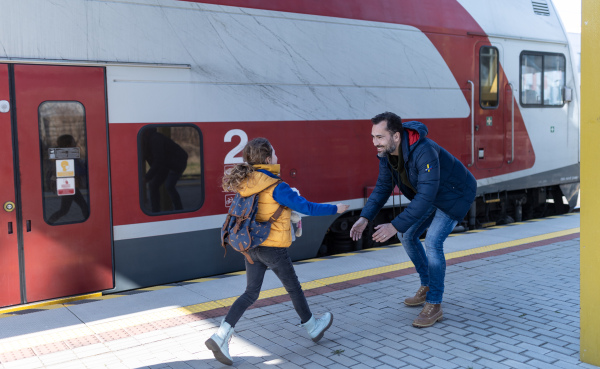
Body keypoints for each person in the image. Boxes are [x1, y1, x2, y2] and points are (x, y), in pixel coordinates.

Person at [205, 137, 349, 366]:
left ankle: (220, 335)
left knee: (250, 293)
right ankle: (313, 327)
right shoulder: (276, 186)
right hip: (273, 248)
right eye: (274, 152)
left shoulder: (245, 182)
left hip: (251, 246)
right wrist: (336, 208)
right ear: (267, 158)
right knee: (294, 288)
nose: (277, 156)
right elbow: (305, 207)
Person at [350, 112, 476, 328]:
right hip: (432, 194)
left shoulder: (424, 151)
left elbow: (427, 195)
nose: (374, 143)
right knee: (406, 234)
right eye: (373, 137)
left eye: (379, 137)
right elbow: (383, 187)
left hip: (455, 195)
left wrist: (394, 224)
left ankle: (435, 303)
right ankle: (427, 284)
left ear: (396, 136)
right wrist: (365, 217)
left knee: (433, 242)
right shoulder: (387, 154)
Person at [142, 127, 188, 212]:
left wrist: (147, 177)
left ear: (146, 132)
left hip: (177, 162)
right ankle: (155, 211)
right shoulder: (146, 140)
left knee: (169, 185)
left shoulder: (155, 139)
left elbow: (158, 160)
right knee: (153, 185)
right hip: (166, 164)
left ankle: (179, 210)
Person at [48, 135, 89, 224]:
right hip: (68, 185)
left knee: (83, 205)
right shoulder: (70, 155)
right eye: (73, 142)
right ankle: (49, 222)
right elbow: (80, 171)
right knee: (64, 210)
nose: (75, 143)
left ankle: (90, 221)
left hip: (67, 184)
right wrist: (86, 165)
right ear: (68, 145)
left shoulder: (59, 155)